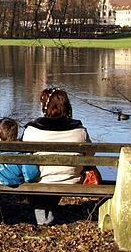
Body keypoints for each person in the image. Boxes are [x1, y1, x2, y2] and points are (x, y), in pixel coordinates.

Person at [22, 87, 90, 225]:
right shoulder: (80, 131)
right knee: (57, 172)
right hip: (70, 178)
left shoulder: (32, 130)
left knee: (37, 173)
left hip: (40, 178)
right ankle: (46, 215)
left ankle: (43, 217)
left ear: (46, 106)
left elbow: (24, 154)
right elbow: (90, 154)